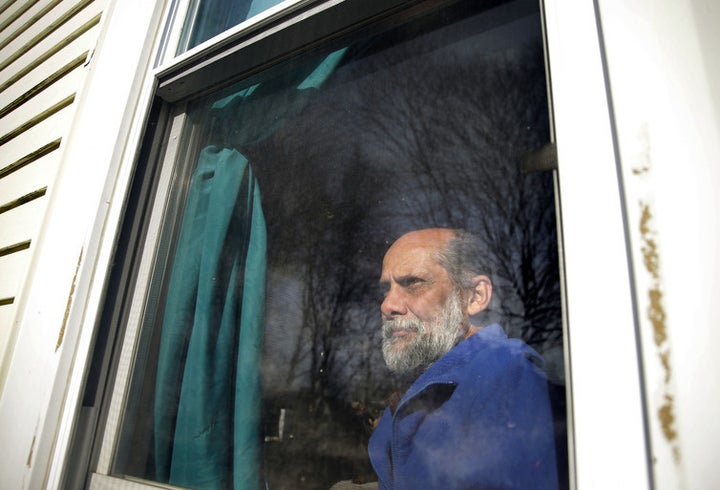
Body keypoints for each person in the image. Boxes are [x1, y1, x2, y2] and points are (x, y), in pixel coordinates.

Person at [367, 228, 559, 490]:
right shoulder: (413, 392)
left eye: (413, 283)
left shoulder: (510, 378)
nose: (388, 305)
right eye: (386, 289)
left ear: (475, 297)